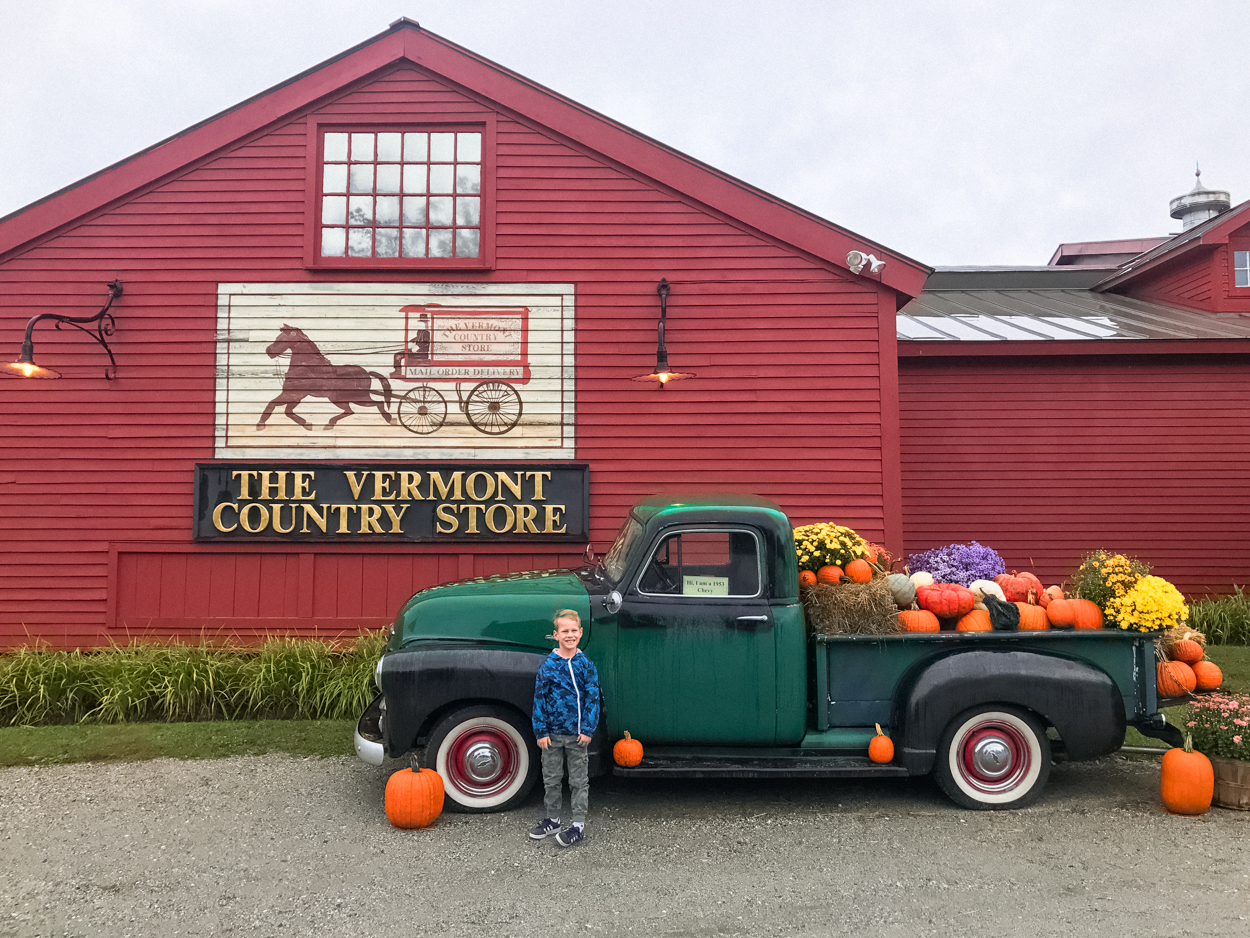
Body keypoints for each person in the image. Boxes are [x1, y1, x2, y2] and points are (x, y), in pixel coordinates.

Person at [529, 609, 599, 848]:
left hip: (577, 736)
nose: (569, 635)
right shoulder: (548, 667)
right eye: (564, 631)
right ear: (556, 635)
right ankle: (553, 819)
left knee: (579, 781)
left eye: (573, 631)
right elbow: (540, 699)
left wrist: (588, 728)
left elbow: (592, 699)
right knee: (551, 778)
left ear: (580, 633)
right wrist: (541, 730)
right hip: (552, 735)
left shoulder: (585, 666)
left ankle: (578, 825)